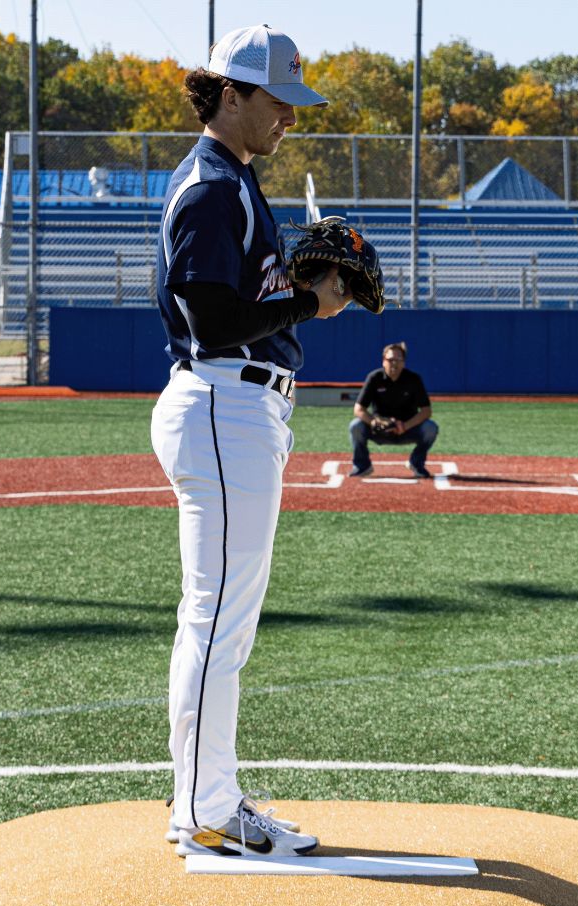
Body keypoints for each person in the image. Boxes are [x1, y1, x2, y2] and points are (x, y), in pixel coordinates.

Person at [150, 25, 351, 859]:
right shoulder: (211, 187)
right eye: (277, 101)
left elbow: (234, 301)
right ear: (229, 94)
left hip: (239, 409)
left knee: (221, 618)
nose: (288, 120)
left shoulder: (235, 183)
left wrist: (295, 287)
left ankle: (205, 797)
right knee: (217, 621)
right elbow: (211, 322)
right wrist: (310, 306)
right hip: (223, 404)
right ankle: (205, 806)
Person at [349, 342, 438, 478]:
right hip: (380, 429)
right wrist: (374, 422)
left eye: (398, 360)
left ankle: (416, 462)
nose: (394, 364)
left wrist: (404, 426)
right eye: (390, 360)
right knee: (356, 426)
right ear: (383, 361)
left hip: (407, 429)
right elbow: (358, 409)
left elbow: (426, 411)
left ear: (404, 362)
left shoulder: (413, 379)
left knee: (431, 428)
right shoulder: (374, 378)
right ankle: (362, 465)